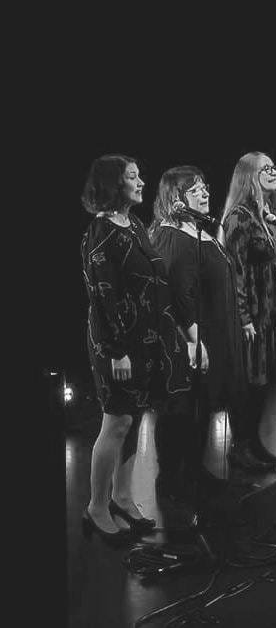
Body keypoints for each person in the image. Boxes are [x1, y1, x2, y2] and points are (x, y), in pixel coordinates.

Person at [79, 155, 196, 541]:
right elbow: (103, 296)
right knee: (116, 423)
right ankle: (96, 506)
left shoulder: (134, 226)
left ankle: (122, 497)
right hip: (116, 345)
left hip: (144, 342)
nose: (142, 181)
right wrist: (117, 350)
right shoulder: (101, 233)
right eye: (133, 176)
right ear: (115, 184)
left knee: (133, 420)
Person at [149, 166, 245, 502]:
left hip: (213, 333)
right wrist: (193, 340)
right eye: (195, 190)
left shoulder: (198, 230)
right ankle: (172, 481)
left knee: (202, 407)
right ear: (175, 198)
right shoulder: (173, 237)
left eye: (204, 187)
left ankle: (195, 471)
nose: (205, 193)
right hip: (191, 339)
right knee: (182, 409)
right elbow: (177, 295)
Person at [221, 152, 276, 470]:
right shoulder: (239, 217)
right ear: (248, 176)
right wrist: (243, 317)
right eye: (264, 168)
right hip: (254, 315)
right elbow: (235, 272)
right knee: (250, 385)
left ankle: (254, 443)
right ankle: (240, 447)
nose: (272, 171)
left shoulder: (273, 215)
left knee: (265, 384)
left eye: (273, 166)